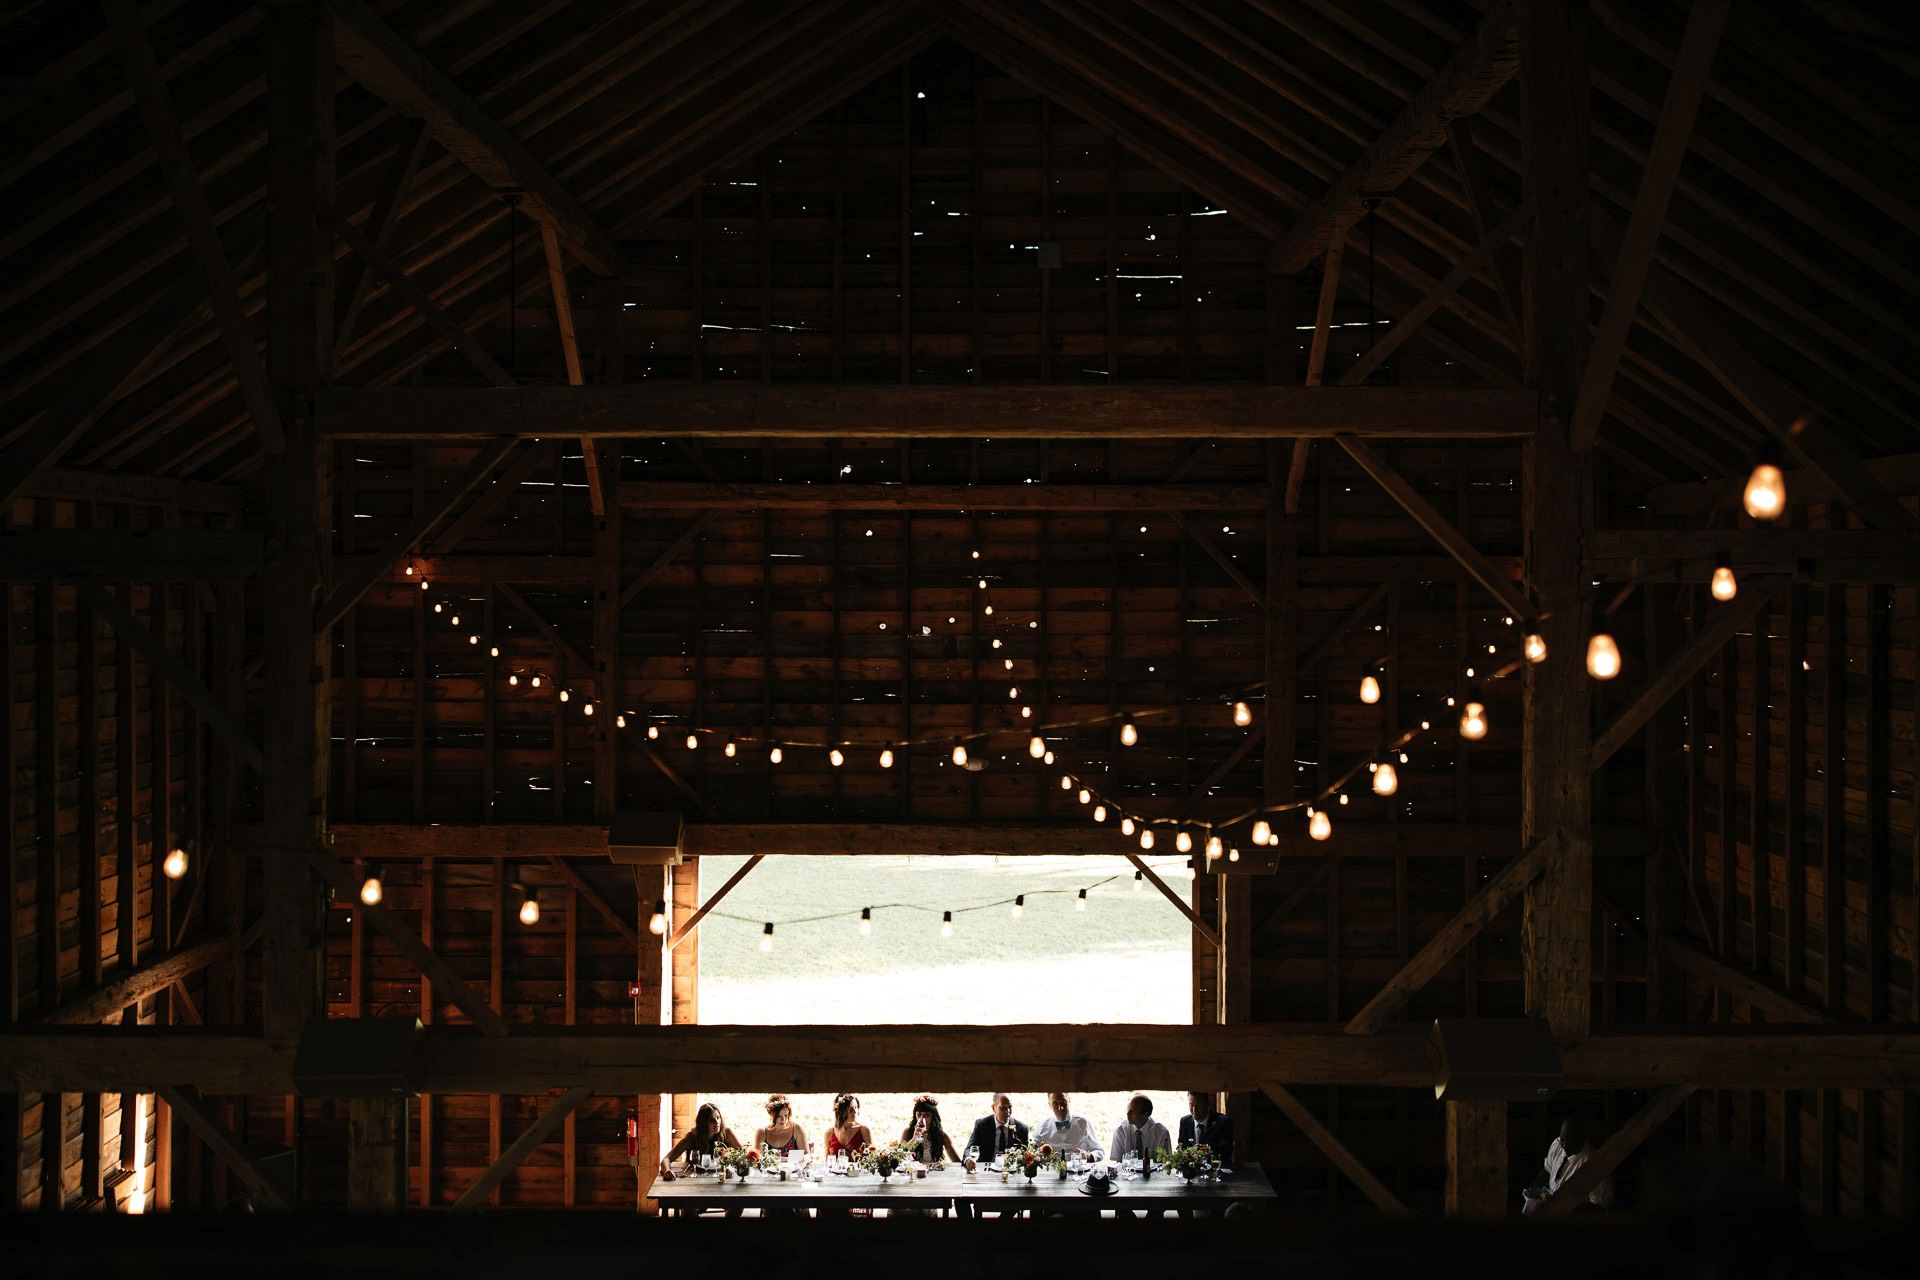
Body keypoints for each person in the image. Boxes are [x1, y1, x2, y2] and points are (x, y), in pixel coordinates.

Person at [1522, 1117, 1615, 1214]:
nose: (1565, 1146)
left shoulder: (1593, 1164)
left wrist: (1564, 1207)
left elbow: (1600, 1206)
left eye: (1572, 1143)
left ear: (1582, 1140)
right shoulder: (1557, 1145)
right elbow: (1547, 1170)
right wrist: (1533, 1190)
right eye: (1562, 1140)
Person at [659, 1102, 743, 1178]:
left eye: (718, 1118)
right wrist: (667, 1171)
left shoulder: (727, 1133)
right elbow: (666, 1159)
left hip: (720, 1178)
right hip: (697, 1179)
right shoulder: (692, 1137)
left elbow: (744, 1156)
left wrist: (731, 1168)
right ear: (703, 1122)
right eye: (711, 1120)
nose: (717, 1122)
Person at [1106, 1094, 1171, 1168]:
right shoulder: (1121, 1130)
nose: (1127, 1114)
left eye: (1132, 1111)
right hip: (1128, 1177)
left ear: (1145, 1114)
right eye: (1128, 1110)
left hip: (1154, 1177)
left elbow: (1166, 1164)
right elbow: (1116, 1163)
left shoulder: (1161, 1132)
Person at [1033, 1091, 1102, 1157]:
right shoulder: (1042, 1126)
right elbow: (1032, 1151)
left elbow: (1099, 1152)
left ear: (1069, 1100)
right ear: (1050, 1105)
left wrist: (1087, 1156)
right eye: (1055, 1104)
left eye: (1063, 1102)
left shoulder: (1083, 1123)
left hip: (1078, 1168)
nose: (1060, 1108)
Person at [965, 1092, 1030, 1161]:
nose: (1007, 1111)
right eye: (1003, 1108)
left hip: (1010, 1170)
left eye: (1009, 1107)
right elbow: (970, 1148)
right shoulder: (982, 1125)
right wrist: (968, 1160)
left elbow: (1025, 1156)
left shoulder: (1022, 1129)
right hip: (987, 1168)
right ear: (994, 1108)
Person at [1178, 1090, 1234, 1166]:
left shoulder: (1223, 1122)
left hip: (1216, 1170)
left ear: (1207, 1104)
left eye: (1198, 1106)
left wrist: (1203, 1150)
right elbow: (1182, 1148)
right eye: (1191, 1105)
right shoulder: (1184, 1122)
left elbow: (1226, 1151)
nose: (1194, 1110)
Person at [901, 1094, 961, 1163]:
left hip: (935, 1172)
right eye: (919, 1114)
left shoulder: (941, 1135)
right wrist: (914, 1139)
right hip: (914, 1172)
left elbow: (957, 1162)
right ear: (915, 1115)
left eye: (926, 1115)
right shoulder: (907, 1132)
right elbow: (899, 1157)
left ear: (933, 1117)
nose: (922, 1118)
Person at [824, 1092, 871, 1158]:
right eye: (850, 1109)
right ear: (841, 1111)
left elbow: (872, 1159)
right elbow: (827, 1160)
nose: (855, 1111)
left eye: (856, 1107)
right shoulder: (830, 1133)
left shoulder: (864, 1131)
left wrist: (853, 1156)